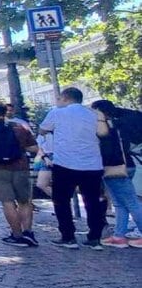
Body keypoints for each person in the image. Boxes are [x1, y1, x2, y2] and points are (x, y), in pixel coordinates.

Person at [39, 87, 106, 249]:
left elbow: (43, 130)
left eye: (60, 99)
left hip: (65, 163)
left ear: (65, 99)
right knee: (92, 201)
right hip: (92, 164)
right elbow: (102, 133)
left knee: (61, 201)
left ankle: (68, 236)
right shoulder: (93, 114)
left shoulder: (57, 113)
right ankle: (95, 238)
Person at [0, 102, 39, 246]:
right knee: (25, 202)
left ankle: (17, 235)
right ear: (6, 111)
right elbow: (34, 148)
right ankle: (28, 232)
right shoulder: (19, 127)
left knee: (8, 203)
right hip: (20, 167)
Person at [91, 99, 142, 248]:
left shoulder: (106, 127)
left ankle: (125, 235)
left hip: (113, 167)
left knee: (130, 202)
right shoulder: (121, 124)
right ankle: (119, 235)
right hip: (127, 165)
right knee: (120, 203)